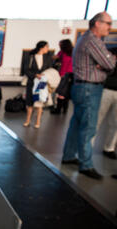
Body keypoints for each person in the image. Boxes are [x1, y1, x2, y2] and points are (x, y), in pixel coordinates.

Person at [61, 12, 116, 180]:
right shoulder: (92, 40)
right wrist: (108, 61)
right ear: (97, 23)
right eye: (108, 23)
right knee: (89, 127)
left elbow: (105, 63)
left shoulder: (85, 39)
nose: (110, 27)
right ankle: (86, 164)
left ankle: (69, 156)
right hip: (89, 89)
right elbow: (110, 64)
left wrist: (105, 63)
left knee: (76, 124)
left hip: (82, 87)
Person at [23, 41, 53, 128]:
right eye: (46, 47)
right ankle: (27, 120)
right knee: (30, 102)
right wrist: (35, 75)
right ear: (41, 47)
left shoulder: (47, 58)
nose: (48, 48)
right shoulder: (31, 57)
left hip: (42, 82)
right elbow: (26, 69)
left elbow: (49, 69)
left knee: (40, 101)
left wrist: (45, 75)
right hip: (32, 82)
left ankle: (38, 122)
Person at [95, 47, 117, 160]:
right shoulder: (107, 62)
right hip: (106, 90)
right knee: (97, 118)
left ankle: (109, 148)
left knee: (115, 123)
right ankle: (89, 145)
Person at [51, 39, 74, 114]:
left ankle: (58, 110)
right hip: (69, 74)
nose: (59, 45)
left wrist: (61, 75)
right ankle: (64, 110)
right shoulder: (65, 52)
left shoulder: (64, 53)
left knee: (61, 92)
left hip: (66, 74)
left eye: (60, 44)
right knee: (65, 92)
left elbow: (62, 63)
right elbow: (56, 57)